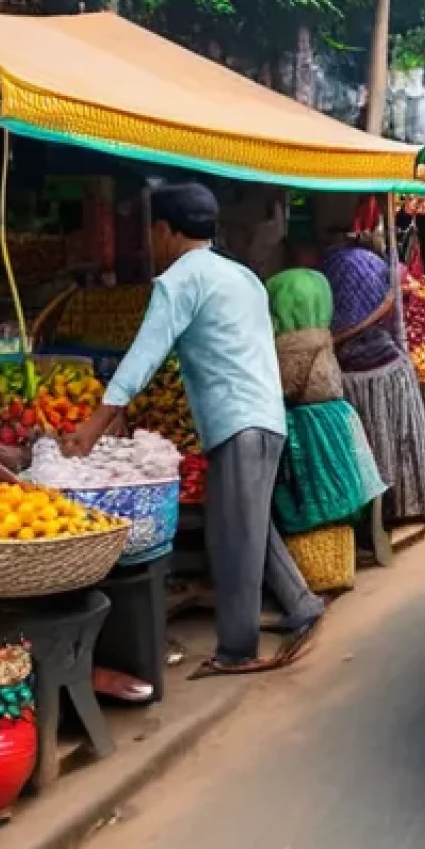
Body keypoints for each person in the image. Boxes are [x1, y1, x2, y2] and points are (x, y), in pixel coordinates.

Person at [63, 181, 324, 677]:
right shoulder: (242, 276)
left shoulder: (180, 280)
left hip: (236, 421)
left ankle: (237, 649)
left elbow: (144, 354)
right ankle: (301, 602)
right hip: (266, 416)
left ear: (164, 230)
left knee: (231, 539)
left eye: (153, 231)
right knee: (249, 526)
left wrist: (93, 427)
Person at [320, 244, 425, 522]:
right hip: (388, 367)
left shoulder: (335, 357)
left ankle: (376, 513)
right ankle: (406, 505)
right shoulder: (388, 353)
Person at [264, 268, 386, 534]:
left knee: (308, 500)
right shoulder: (323, 335)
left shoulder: (285, 346)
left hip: (304, 428)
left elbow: (285, 390)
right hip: (336, 419)